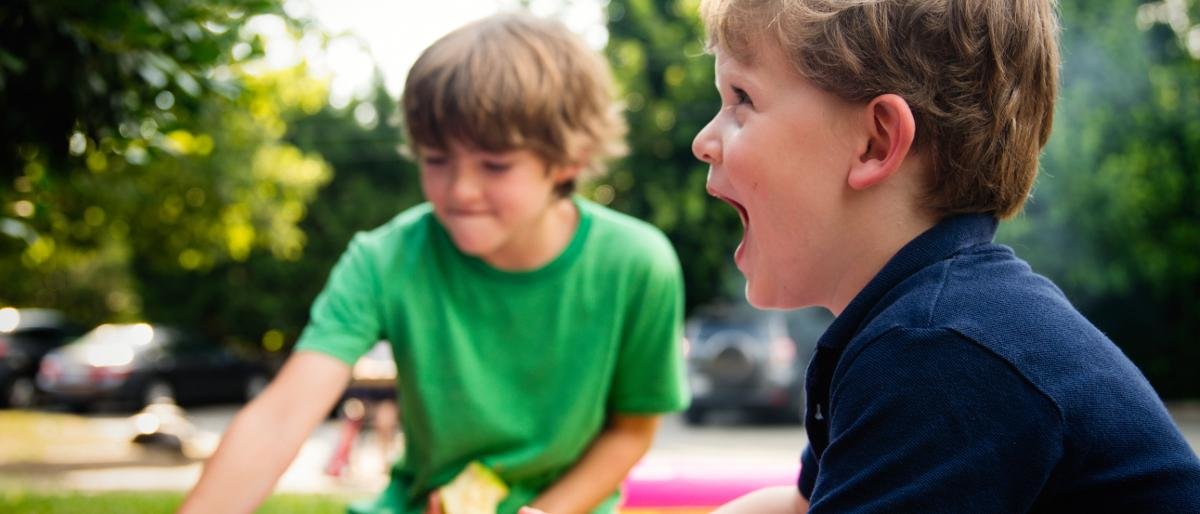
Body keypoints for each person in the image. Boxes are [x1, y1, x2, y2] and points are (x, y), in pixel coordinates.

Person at [686, 0, 1200, 512]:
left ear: (876, 141)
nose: (703, 141)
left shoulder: (938, 355)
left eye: (741, 99)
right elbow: (800, 506)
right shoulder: (930, 323)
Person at [178, 11, 689, 514]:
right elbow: (282, 416)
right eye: (436, 160)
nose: (461, 191)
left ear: (568, 160)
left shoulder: (637, 264)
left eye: (495, 164)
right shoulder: (384, 259)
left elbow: (631, 430)